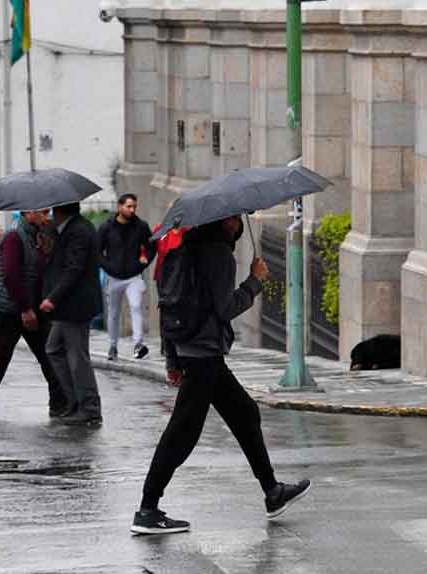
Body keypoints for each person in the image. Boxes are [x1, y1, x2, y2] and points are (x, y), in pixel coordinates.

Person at [130, 216, 311, 535]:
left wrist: (172, 358)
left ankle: (272, 492)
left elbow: (168, 306)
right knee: (181, 433)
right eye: (235, 218)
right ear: (226, 222)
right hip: (204, 354)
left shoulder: (182, 250)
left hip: (192, 349)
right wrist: (254, 281)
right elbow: (225, 307)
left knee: (244, 412)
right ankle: (147, 509)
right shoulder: (218, 256)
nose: (238, 223)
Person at [0, 210, 68, 419]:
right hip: (12, 309)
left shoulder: (34, 235)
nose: (46, 216)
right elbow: (11, 276)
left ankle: (59, 404)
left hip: (32, 306)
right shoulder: (14, 236)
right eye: (42, 212)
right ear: (29, 213)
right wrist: (25, 309)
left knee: (50, 354)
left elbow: (36, 268)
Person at [40, 202, 104, 426]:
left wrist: (52, 298)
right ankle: (76, 400)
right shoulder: (68, 229)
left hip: (75, 305)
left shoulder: (79, 231)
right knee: (54, 349)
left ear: (60, 211)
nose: (49, 214)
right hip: (67, 305)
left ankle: (89, 407)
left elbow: (73, 269)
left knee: (77, 356)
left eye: (51, 210)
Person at [98, 194, 154, 361]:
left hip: (133, 275)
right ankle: (112, 346)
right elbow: (96, 250)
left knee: (136, 306)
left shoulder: (141, 226)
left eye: (134, 207)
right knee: (113, 312)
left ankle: (138, 343)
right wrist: (107, 266)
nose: (132, 210)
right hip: (113, 276)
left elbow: (151, 246)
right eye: (129, 206)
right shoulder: (107, 227)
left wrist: (144, 262)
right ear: (120, 207)